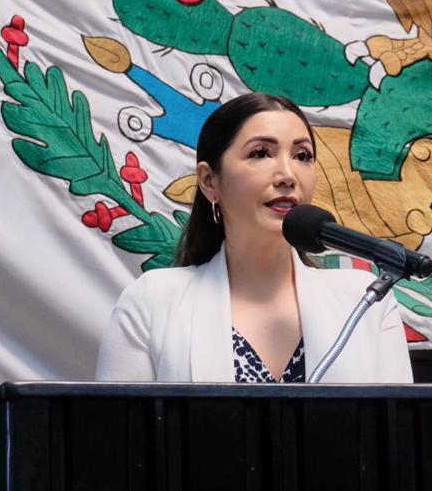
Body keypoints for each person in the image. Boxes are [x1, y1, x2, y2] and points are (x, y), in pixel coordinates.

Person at [95, 92, 413, 383]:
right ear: (209, 181)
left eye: (302, 156)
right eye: (261, 153)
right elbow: (121, 428)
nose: (288, 175)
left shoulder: (365, 301)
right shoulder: (152, 302)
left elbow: (395, 425)